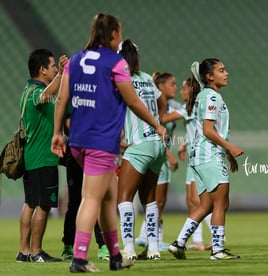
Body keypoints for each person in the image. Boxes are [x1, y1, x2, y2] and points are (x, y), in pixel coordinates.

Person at [51, 14, 166, 272]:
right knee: (91, 198)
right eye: (119, 33)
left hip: (79, 139)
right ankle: (79, 258)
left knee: (108, 197)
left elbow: (61, 99)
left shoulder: (76, 59)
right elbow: (134, 101)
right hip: (100, 141)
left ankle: (115, 255)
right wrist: (156, 124)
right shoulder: (116, 62)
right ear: (113, 34)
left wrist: (57, 132)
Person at [168, 58, 244, 260]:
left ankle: (179, 243)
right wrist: (230, 147)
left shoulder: (204, 95)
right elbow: (208, 130)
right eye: (221, 70)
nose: (226, 73)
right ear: (209, 76)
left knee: (206, 205)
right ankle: (218, 249)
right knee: (221, 203)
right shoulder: (211, 97)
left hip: (200, 158)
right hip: (209, 156)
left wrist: (228, 153)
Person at [116, 39, 167, 261]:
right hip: (158, 144)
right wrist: (155, 121)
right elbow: (162, 102)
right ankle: (153, 248)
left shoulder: (120, 80)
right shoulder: (147, 79)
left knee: (124, 197)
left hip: (138, 145)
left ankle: (128, 247)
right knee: (150, 198)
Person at [16, 49, 68, 263]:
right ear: (42, 70)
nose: (55, 68)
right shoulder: (37, 92)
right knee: (44, 205)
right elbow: (45, 96)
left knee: (29, 203)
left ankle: (24, 251)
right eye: (53, 65)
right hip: (42, 158)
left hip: (31, 157)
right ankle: (37, 252)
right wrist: (61, 75)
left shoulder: (26, 91)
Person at [160, 77, 213, 250]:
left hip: (199, 157)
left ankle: (217, 235)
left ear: (191, 91)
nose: (181, 91)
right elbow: (195, 129)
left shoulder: (190, 107)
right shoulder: (191, 108)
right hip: (193, 156)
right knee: (191, 200)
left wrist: (157, 100)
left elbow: (164, 118)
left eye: (183, 88)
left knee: (200, 200)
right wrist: (184, 144)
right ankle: (197, 241)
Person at [135, 71, 179, 252]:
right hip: (155, 154)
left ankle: (146, 235)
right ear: (160, 88)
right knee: (154, 199)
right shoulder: (153, 105)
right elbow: (158, 123)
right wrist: (169, 154)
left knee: (158, 201)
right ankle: (151, 237)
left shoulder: (173, 105)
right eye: (172, 84)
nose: (175, 87)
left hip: (160, 156)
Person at [60, 121, 110, 261]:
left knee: (97, 200)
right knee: (75, 202)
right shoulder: (72, 100)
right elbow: (68, 124)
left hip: (95, 151)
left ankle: (103, 246)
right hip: (75, 151)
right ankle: (68, 245)